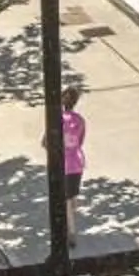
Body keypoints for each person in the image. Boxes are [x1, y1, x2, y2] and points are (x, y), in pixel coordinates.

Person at [58, 75, 87, 235]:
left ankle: (71, 231)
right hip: (77, 161)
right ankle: (72, 218)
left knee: (66, 199)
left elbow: (46, 142)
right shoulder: (80, 120)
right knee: (72, 196)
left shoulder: (58, 120)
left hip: (64, 164)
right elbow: (81, 140)